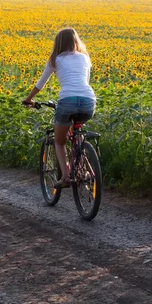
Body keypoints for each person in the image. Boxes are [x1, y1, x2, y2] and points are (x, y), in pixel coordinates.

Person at [23, 28, 96, 188]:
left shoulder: (55, 59)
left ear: (58, 43)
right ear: (76, 41)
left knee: (60, 141)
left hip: (67, 101)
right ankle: (83, 164)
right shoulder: (85, 57)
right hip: (88, 101)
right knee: (77, 129)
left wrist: (29, 99)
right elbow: (85, 81)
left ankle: (65, 176)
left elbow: (40, 84)